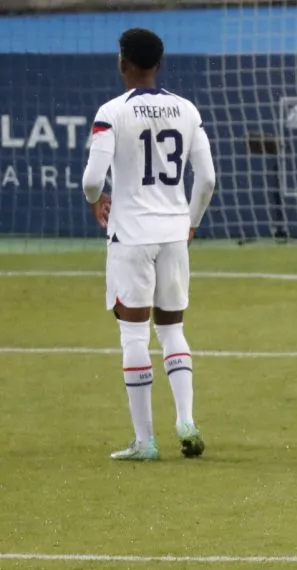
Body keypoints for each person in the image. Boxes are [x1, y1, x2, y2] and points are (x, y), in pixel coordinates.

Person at [82, 28, 216, 461]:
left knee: (134, 333)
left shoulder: (111, 112)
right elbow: (208, 179)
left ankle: (145, 441)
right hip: (174, 233)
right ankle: (187, 420)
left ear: (123, 63)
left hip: (131, 236)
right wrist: (190, 222)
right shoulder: (187, 109)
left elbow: (90, 179)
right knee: (173, 328)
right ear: (160, 64)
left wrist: (95, 200)